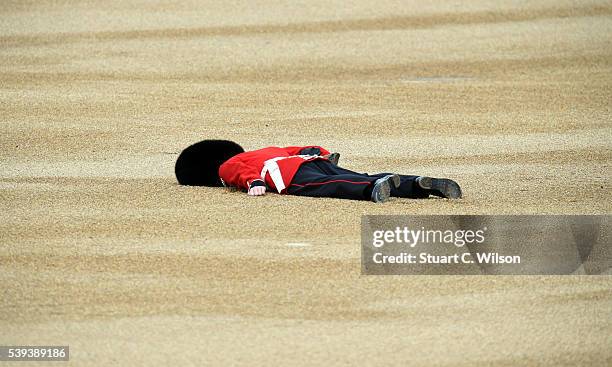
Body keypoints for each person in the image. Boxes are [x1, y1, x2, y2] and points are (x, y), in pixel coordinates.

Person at [174, 140, 462, 203]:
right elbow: (295, 148)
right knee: (360, 173)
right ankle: (415, 184)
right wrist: (321, 153)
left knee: (335, 185)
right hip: (307, 160)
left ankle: (372, 190)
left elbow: (238, 171)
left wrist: (255, 182)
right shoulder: (264, 149)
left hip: (289, 177)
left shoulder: (228, 165)